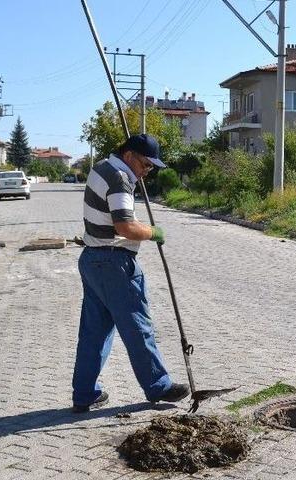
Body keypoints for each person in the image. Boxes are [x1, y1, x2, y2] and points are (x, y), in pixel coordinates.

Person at [72, 134, 189, 413]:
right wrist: (152, 232)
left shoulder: (101, 167)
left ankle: (84, 393)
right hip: (115, 263)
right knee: (137, 327)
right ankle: (158, 387)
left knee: (94, 332)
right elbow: (125, 227)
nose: (146, 172)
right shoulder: (120, 179)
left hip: (92, 259)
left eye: (150, 168)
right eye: (145, 165)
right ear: (129, 156)